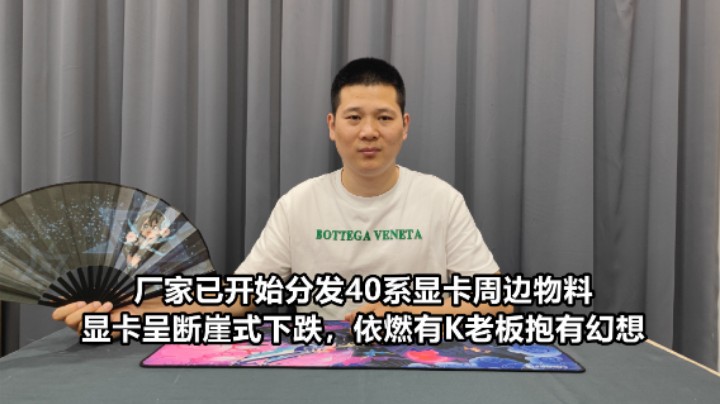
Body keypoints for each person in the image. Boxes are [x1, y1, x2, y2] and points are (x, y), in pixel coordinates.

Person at [52, 57, 512, 333]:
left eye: (384, 118)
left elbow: (496, 303)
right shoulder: (300, 203)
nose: (369, 132)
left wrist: (404, 312)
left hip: (423, 362)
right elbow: (236, 298)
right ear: (332, 126)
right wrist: (125, 316)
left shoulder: (440, 199)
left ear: (404, 126)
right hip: (322, 364)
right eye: (354, 117)